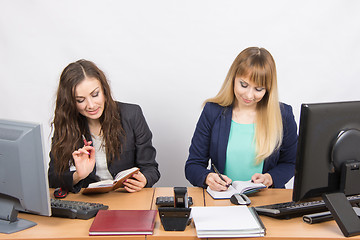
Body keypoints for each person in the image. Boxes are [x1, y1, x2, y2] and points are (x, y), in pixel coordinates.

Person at [185, 47, 297, 191]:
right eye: (243, 85)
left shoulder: (283, 115)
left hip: (267, 200)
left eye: (259, 89)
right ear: (233, 78)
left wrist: (270, 178)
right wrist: (207, 178)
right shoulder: (212, 111)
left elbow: (290, 163)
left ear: (268, 89)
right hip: (224, 199)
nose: (249, 95)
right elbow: (193, 165)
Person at [48, 59, 160, 193]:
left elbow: (151, 168)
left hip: (126, 197)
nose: (91, 105)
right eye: (80, 100)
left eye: (95, 94)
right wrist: (78, 176)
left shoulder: (132, 115)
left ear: (104, 90)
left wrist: (145, 179)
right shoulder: (66, 125)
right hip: (87, 203)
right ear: (71, 102)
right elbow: (53, 178)